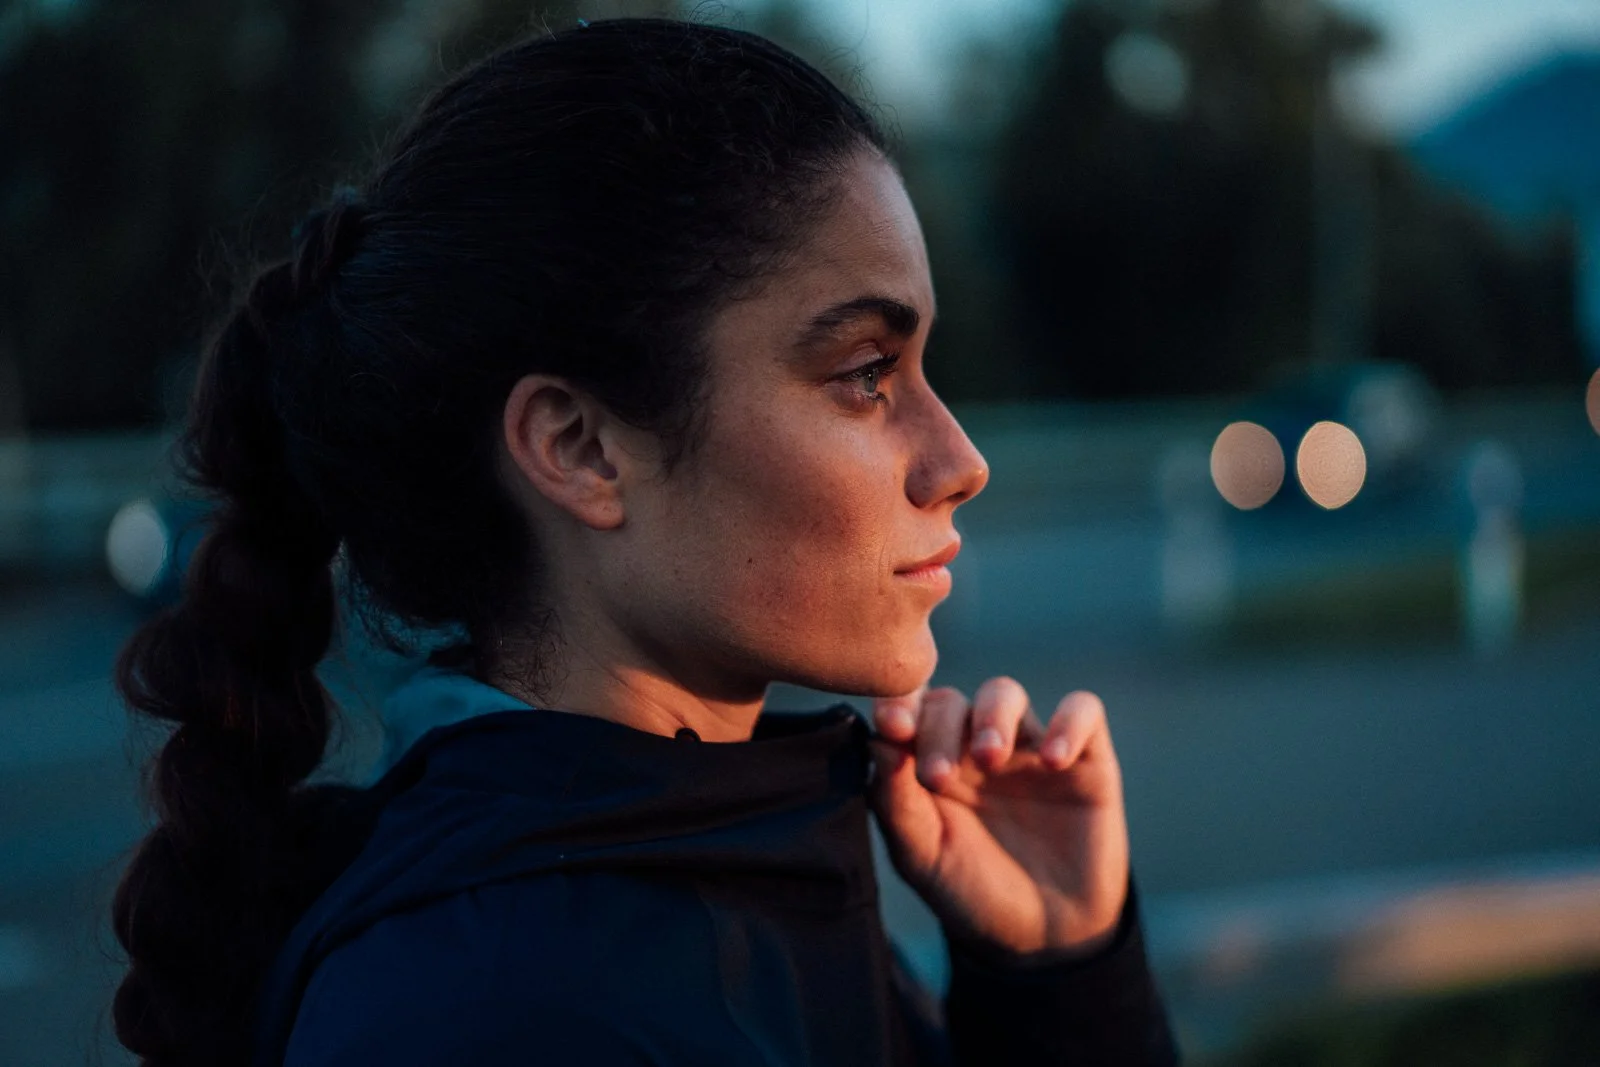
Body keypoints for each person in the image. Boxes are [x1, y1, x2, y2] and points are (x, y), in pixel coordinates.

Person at [110, 16, 1180, 1067]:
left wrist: (1059, 973)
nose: (960, 458)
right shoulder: (488, 1018)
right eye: (865, 373)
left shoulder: (734, 848)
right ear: (579, 447)